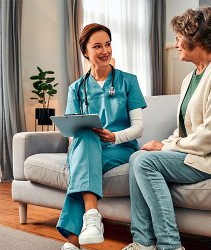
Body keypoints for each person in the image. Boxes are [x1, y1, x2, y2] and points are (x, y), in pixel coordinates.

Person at [122, 6, 211, 250]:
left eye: (180, 36)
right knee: (137, 157)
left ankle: (170, 246)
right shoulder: (189, 78)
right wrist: (165, 144)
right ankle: (143, 243)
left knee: (144, 162)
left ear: (197, 38)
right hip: (196, 152)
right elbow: (185, 130)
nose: (176, 42)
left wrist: (166, 147)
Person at [58, 23, 148, 250]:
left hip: (120, 147)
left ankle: (73, 240)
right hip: (86, 147)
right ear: (86, 52)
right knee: (85, 136)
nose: (105, 50)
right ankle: (91, 217)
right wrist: (74, 147)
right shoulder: (76, 88)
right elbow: (72, 131)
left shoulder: (128, 81)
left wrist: (114, 136)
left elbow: (138, 128)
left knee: (83, 169)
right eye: (97, 46)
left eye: (107, 44)